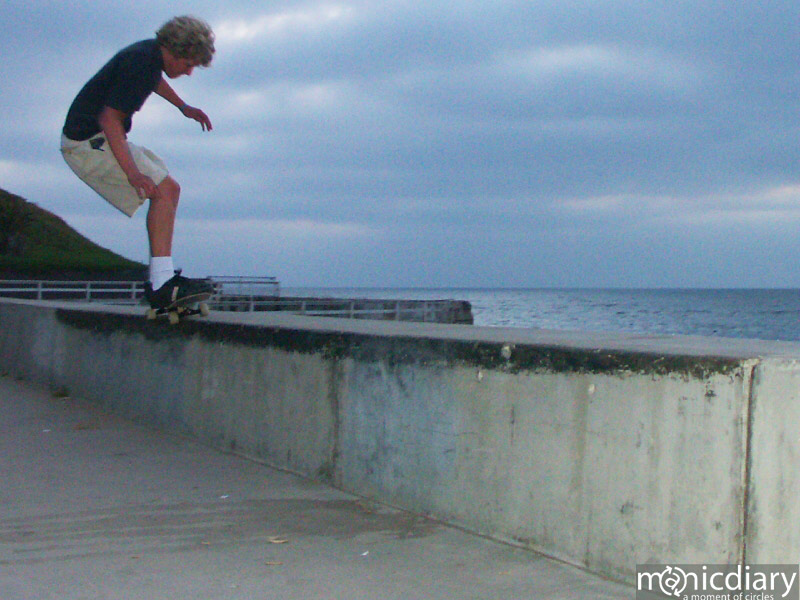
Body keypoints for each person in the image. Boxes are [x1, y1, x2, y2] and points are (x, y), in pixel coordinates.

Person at [60, 15, 216, 308]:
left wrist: (183, 107)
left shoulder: (147, 55)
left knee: (169, 189)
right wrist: (133, 174)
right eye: (189, 64)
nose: (189, 72)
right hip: (86, 144)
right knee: (164, 190)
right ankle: (161, 284)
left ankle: (162, 280)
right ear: (176, 51)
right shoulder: (142, 62)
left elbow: (153, 80)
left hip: (93, 138)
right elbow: (110, 118)